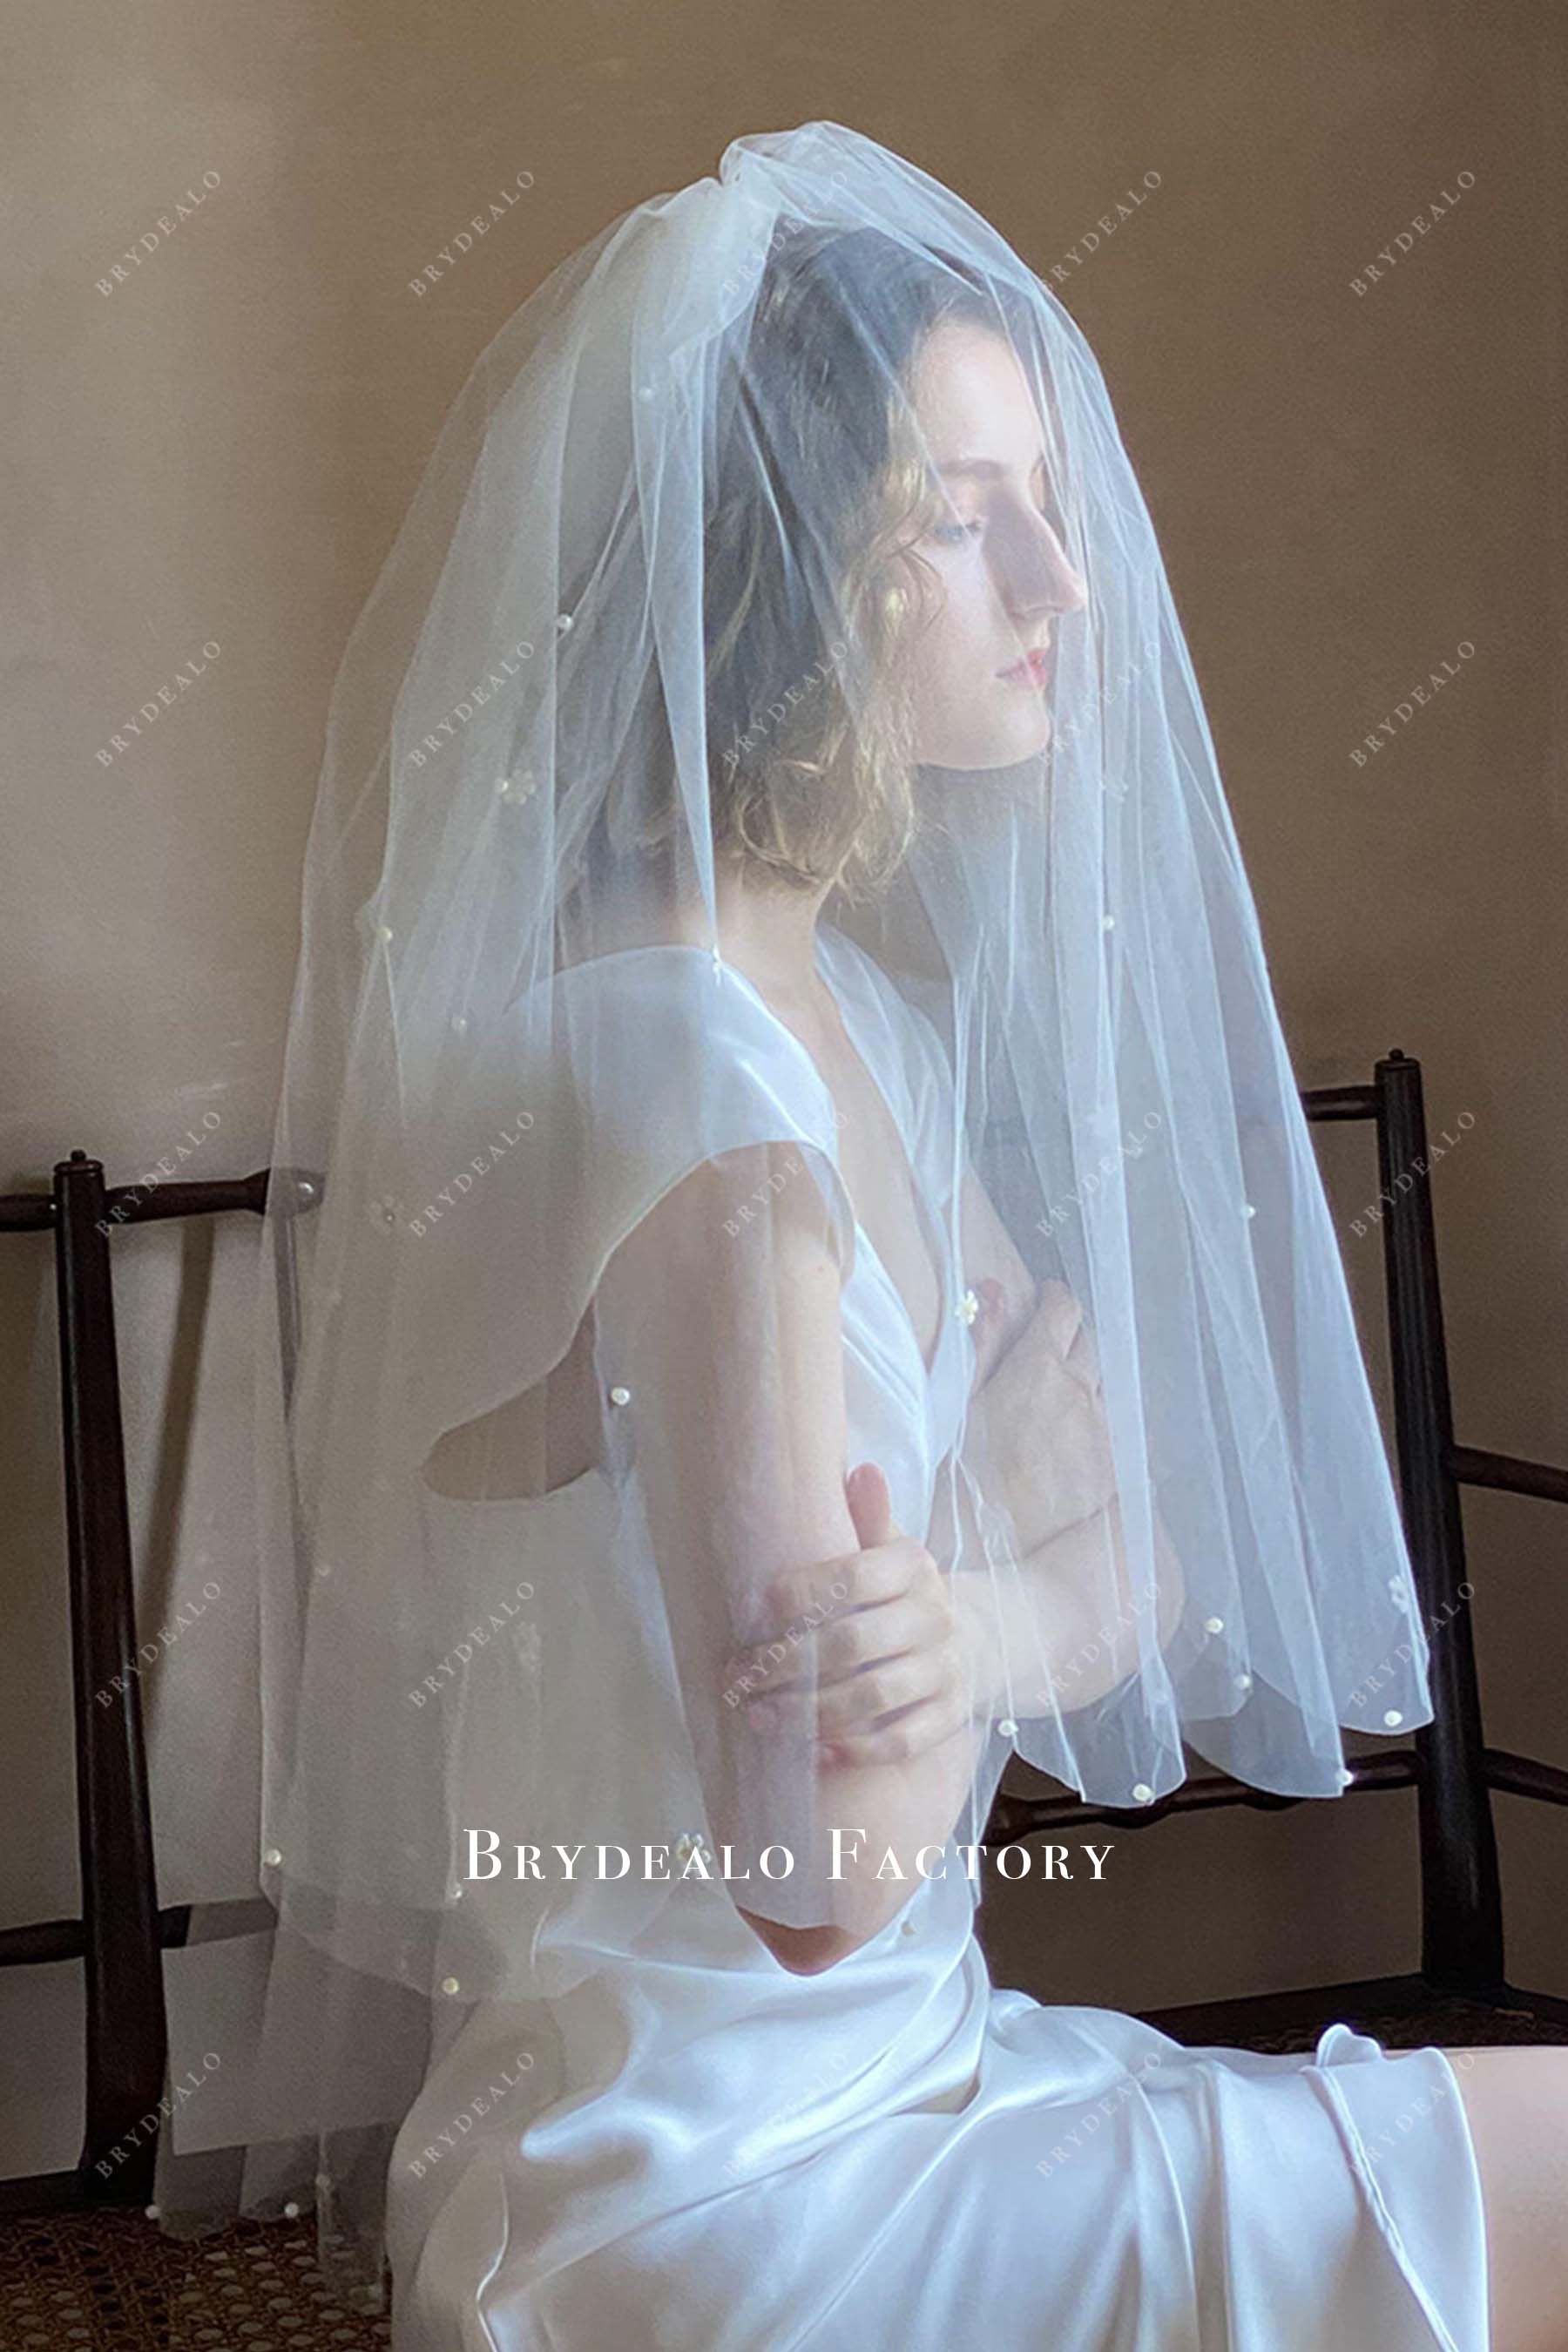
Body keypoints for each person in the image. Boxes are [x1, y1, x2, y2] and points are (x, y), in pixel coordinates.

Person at [181, 122, 1566, 2348]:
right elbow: (822, 1870)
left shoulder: (862, 1027)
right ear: (784, 577)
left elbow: (1153, 1567)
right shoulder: (703, 1101)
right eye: (960, 515)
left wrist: (991, 1606)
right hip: (732, 2221)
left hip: (906, 2103)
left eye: (1047, 503)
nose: (1059, 580)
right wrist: (1013, 1596)